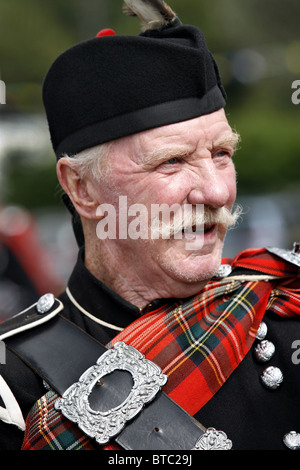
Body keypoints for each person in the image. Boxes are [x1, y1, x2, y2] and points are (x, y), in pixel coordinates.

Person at [0, 0, 300, 451]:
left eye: (222, 154)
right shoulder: (14, 384)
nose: (216, 193)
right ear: (81, 187)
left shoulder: (286, 312)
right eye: (172, 162)